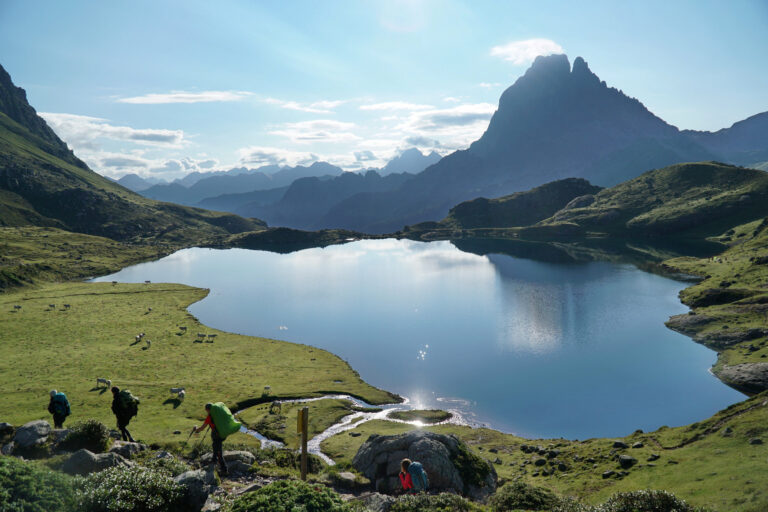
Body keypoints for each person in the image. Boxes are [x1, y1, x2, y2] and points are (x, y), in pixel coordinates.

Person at [193, 403, 228, 475]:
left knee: (218, 452)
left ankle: (224, 470)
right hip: (222, 435)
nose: (206, 412)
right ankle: (213, 462)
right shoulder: (218, 414)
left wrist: (196, 430)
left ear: (208, 410)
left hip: (216, 436)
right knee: (215, 448)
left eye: (206, 410)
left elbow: (202, 428)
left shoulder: (210, 417)